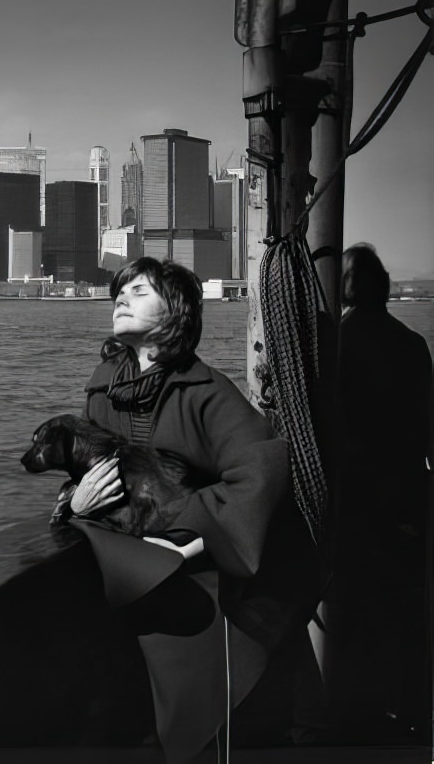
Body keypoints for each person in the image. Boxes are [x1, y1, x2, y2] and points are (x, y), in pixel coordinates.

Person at [53, 257, 321, 764]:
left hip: (212, 575)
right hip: (142, 568)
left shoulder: (207, 392)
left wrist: (191, 535)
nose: (122, 298)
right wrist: (78, 500)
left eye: (139, 291)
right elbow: (88, 470)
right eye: (120, 290)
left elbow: (263, 472)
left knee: (218, 720)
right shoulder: (102, 389)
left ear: (174, 312)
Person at [332, 243, 432, 741]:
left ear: (342, 287)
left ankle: (356, 719)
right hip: (407, 498)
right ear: (386, 285)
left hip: (354, 500)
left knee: (354, 614)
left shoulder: (334, 346)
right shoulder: (413, 345)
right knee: (404, 612)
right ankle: (410, 710)